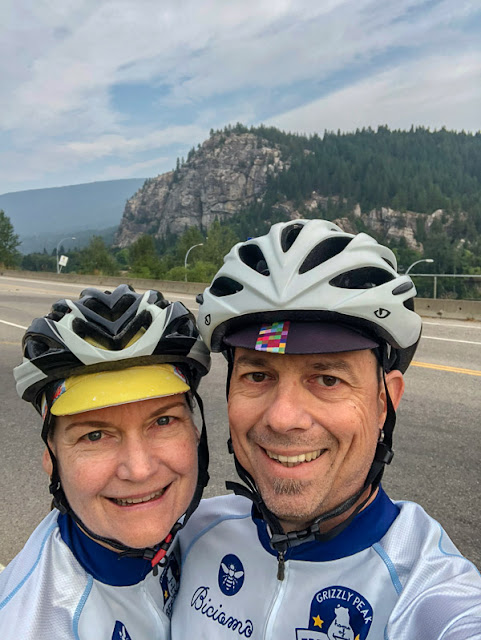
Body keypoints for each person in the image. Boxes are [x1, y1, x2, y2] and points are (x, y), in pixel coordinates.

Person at [171, 220, 481, 639]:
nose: (283, 418)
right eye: (258, 376)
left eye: (328, 379)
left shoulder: (428, 589)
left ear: (385, 402)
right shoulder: (190, 536)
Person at [0, 284, 210, 639]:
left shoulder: (215, 532)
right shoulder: (29, 625)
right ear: (52, 458)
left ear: (195, 431)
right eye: (94, 435)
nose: (139, 470)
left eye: (163, 421)